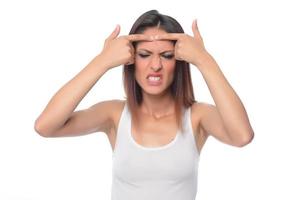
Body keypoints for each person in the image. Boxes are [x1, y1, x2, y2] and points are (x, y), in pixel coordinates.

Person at [34, 10, 254, 200]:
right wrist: (102, 61)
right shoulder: (114, 115)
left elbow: (242, 136)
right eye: (145, 54)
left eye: (167, 56)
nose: (155, 65)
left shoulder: (197, 117)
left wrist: (204, 59)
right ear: (131, 60)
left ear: (178, 62)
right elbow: (45, 126)